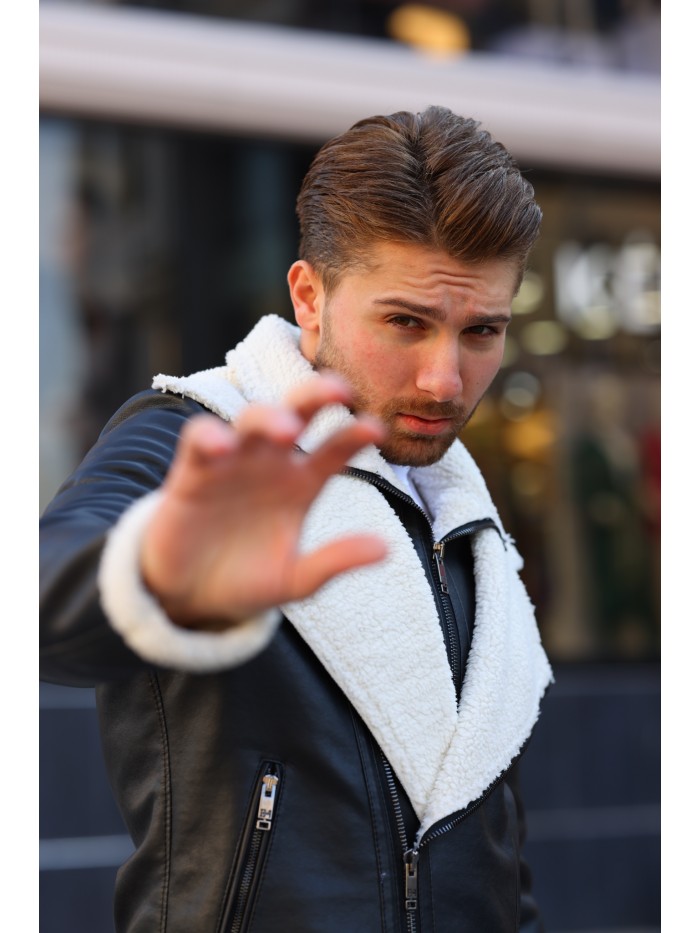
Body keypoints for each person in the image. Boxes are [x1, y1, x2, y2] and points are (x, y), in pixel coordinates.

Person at [40, 105, 554, 932]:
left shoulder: (465, 516)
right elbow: (40, 587)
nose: (445, 381)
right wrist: (161, 576)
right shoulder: (204, 435)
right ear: (309, 296)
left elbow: (496, 853)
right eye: (406, 322)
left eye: (482, 331)